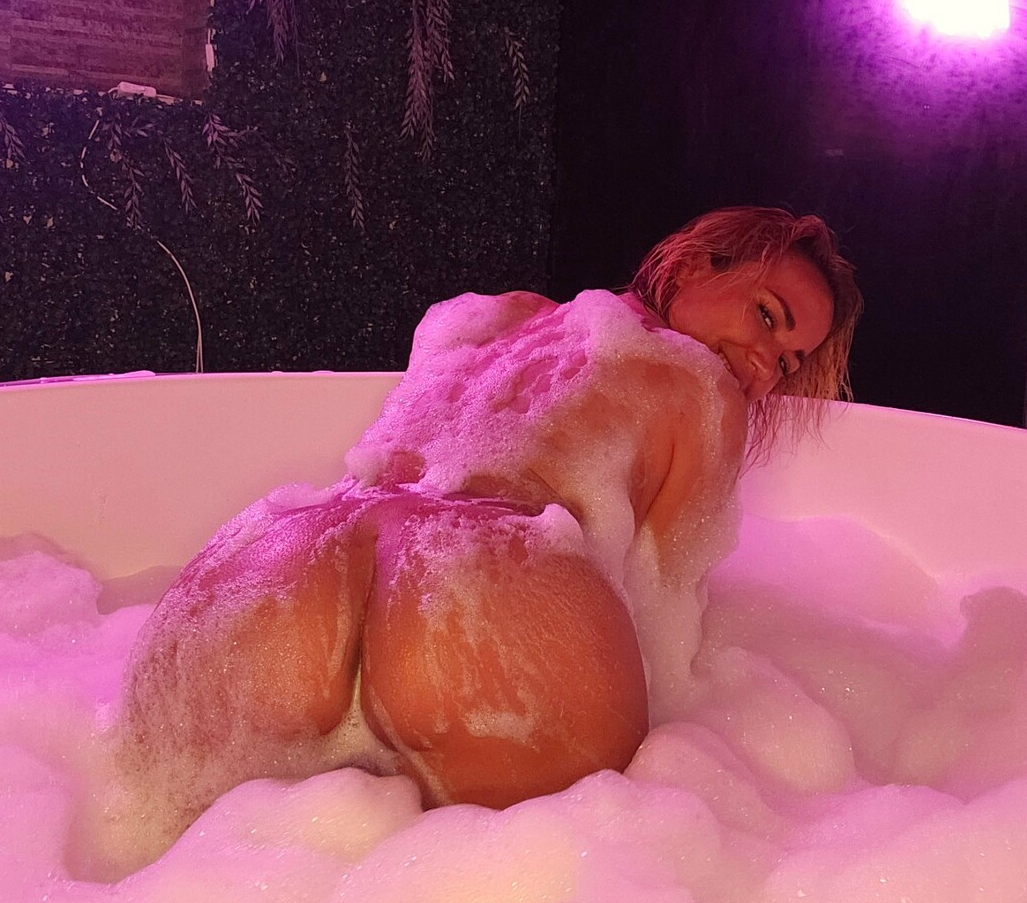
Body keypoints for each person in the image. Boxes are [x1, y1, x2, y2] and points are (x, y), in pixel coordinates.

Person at [76, 207, 863, 876]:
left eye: (788, 362)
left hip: (271, 569)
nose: (763, 366)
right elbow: (661, 615)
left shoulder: (495, 317)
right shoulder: (703, 388)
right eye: (767, 317)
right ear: (691, 266)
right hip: (492, 595)